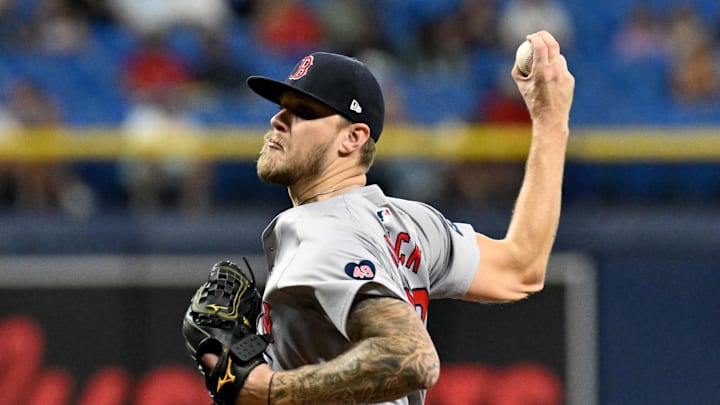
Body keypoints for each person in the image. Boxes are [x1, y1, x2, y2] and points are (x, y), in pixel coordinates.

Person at [203, 30, 574, 404]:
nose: (279, 120)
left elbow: (410, 359)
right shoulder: (410, 222)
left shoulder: (322, 233)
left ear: (353, 138)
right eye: (281, 106)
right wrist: (551, 121)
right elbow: (520, 267)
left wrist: (267, 390)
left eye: (303, 111)